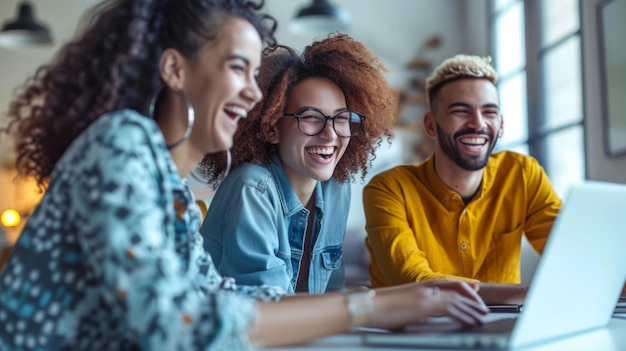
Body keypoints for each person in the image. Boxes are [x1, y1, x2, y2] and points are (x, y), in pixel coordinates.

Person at [0, 1, 488, 349]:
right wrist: (370, 310)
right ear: (174, 69)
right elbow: (175, 327)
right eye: (238, 68)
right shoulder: (122, 141)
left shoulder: (168, 188)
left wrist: (401, 298)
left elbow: (224, 297)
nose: (254, 96)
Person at [198, 34, 394, 295]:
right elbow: (266, 312)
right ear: (271, 128)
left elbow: (332, 293)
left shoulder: (337, 188)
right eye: (311, 117)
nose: (331, 134)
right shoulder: (252, 190)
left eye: (341, 118)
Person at [363, 54, 563, 305]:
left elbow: (570, 254)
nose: (478, 124)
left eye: (489, 112)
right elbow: (415, 281)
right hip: (414, 333)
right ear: (431, 125)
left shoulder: (523, 174)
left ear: (500, 125)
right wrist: (533, 294)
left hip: (501, 331)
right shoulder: (389, 189)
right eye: (461, 111)